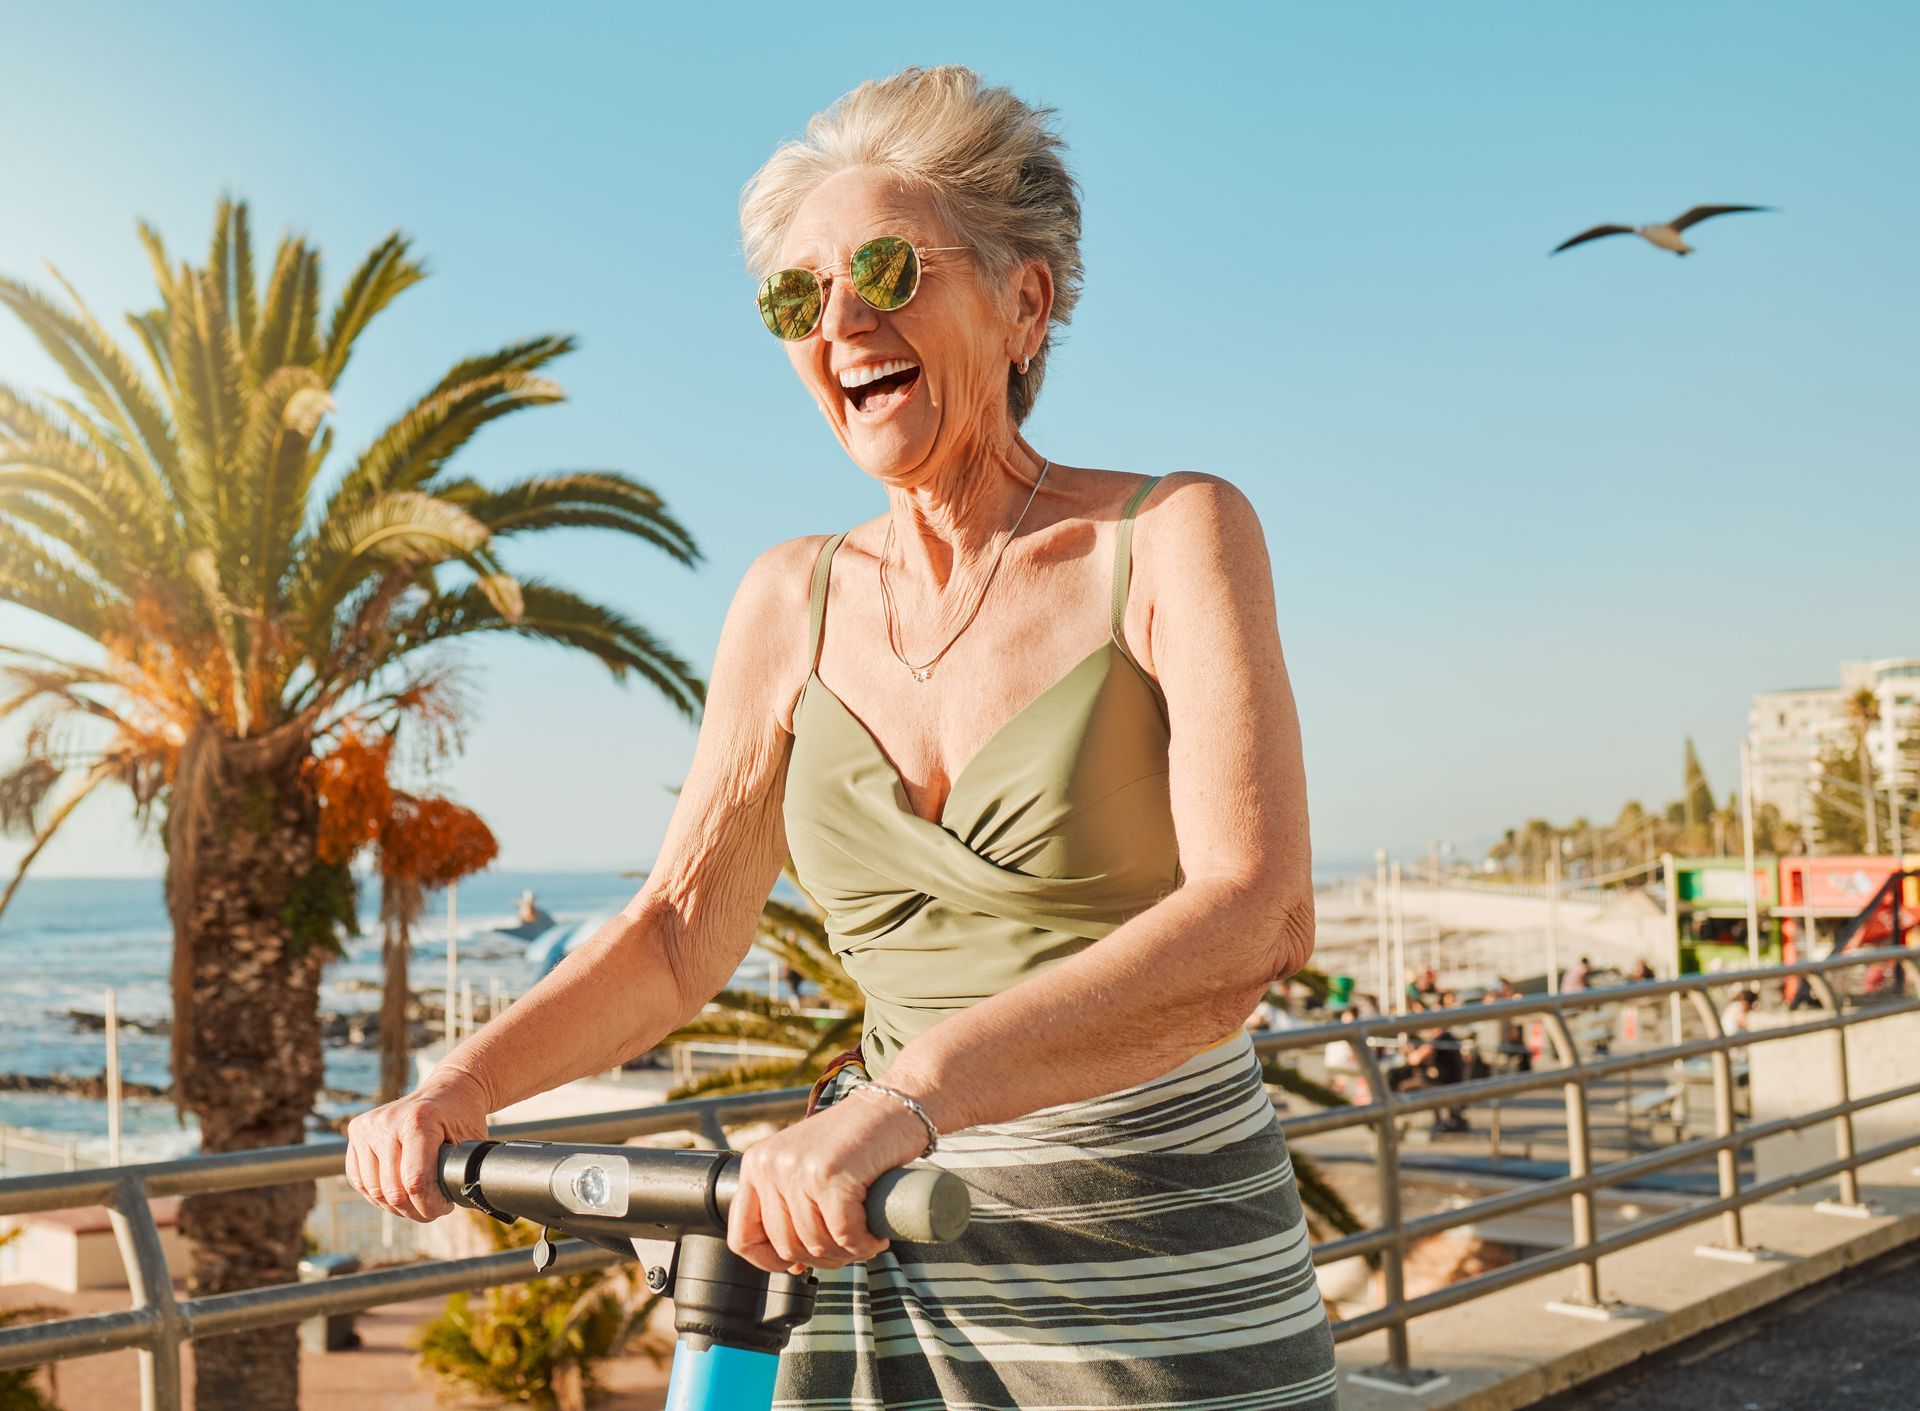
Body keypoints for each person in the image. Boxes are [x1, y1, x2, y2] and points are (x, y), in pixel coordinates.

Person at [343, 65, 1336, 1410]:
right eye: (795, 299)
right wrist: (455, 1092)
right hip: (868, 1237)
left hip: (1156, 1278)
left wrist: (907, 1099)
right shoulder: (787, 598)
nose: (842, 319)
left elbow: (1253, 919)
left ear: (1025, 298)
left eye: (885, 267)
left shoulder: (1171, 537)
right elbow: (681, 932)